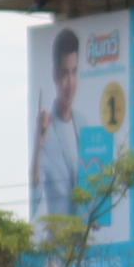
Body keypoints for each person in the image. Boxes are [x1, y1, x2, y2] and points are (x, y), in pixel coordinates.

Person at [31, 25, 86, 219]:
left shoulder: (84, 125)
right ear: (55, 74)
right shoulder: (46, 131)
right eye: (64, 73)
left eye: (74, 72)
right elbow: (35, 191)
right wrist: (39, 144)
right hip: (58, 236)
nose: (70, 83)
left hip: (86, 234)